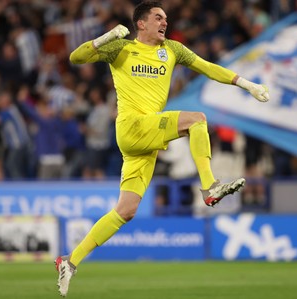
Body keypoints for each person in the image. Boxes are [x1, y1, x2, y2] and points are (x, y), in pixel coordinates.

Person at [55, 1, 269, 296]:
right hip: (133, 126)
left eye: (166, 18)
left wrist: (246, 84)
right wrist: (106, 37)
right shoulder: (120, 48)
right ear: (140, 23)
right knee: (198, 120)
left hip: (143, 141)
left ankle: (70, 261)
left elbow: (207, 68)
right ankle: (209, 187)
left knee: (126, 210)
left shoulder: (172, 49)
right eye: (158, 17)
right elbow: (75, 58)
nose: (164, 22)